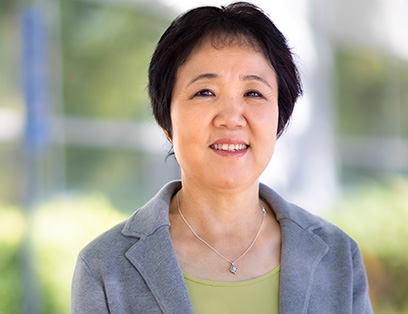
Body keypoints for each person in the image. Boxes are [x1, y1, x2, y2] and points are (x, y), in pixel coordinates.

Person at [71, 2, 373, 313]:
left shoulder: (339, 257)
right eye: (205, 92)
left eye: (253, 93)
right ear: (165, 120)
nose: (231, 118)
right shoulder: (105, 267)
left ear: (279, 117)